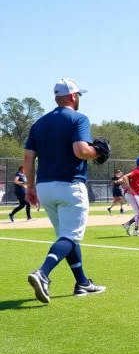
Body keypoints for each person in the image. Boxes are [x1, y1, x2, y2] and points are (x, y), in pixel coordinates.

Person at [24, 78, 107, 304]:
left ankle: (82, 282)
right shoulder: (78, 118)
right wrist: (97, 152)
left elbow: (28, 158)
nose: (79, 98)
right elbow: (81, 151)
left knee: (66, 237)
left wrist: (30, 187)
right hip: (70, 185)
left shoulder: (38, 123)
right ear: (72, 96)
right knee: (70, 236)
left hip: (44, 187)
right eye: (78, 95)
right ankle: (43, 272)